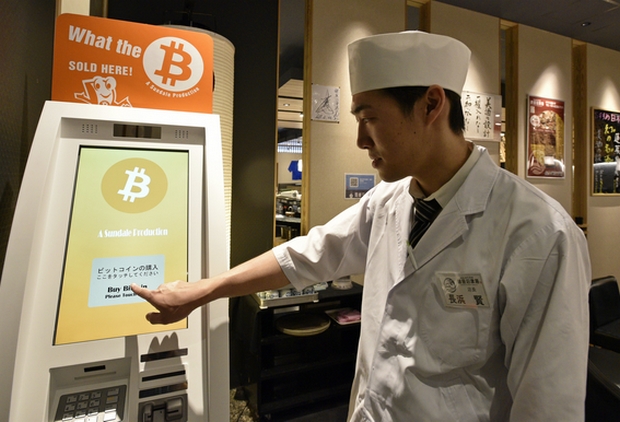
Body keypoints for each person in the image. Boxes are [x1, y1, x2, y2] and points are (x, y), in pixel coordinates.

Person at [131, 31, 591, 421]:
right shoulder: (387, 202)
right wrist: (203, 291)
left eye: (370, 118)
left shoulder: (538, 234)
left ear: (431, 104)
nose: (359, 138)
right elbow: (309, 254)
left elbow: (549, 404)